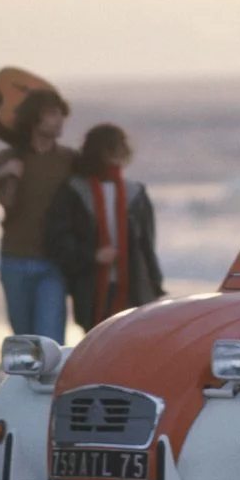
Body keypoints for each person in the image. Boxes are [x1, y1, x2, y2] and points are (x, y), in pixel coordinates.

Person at [0, 88, 76, 343]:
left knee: (50, 344)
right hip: (15, 263)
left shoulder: (70, 160)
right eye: (52, 114)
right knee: (26, 343)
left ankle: (50, 385)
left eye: (61, 114)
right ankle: (29, 385)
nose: (60, 120)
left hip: (54, 264)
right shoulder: (8, 158)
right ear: (34, 119)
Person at [45, 124, 164, 332]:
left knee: (132, 339)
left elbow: (147, 244)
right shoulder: (74, 191)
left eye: (121, 147)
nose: (118, 153)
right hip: (90, 284)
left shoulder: (135, 193)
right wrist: (93, 256)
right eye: (112, 148)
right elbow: (59, 238)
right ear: (97, 151)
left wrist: (155, 284)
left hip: (133, 285)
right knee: (96, 340)